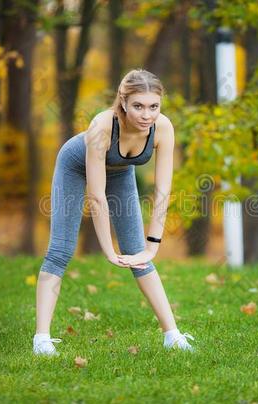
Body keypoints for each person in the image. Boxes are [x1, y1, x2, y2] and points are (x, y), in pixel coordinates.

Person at [33, 69, 195, 356]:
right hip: (75, 166)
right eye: (138, 106)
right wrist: (108, 250)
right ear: (123, 101)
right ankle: (41, 339)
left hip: (120, 173)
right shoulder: (102, 126)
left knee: (137, 254)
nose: (147, 114)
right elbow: (96, 197)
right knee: (61, 250)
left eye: (153, 106)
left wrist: (152, 247)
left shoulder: (164, 128)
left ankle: (173, 335)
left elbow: (162, 191)